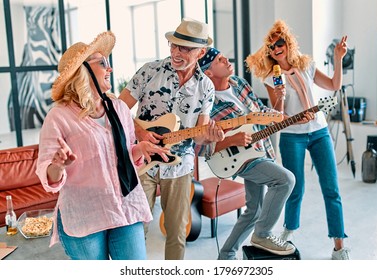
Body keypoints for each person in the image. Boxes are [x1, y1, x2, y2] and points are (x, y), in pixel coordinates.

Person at [35, 31, 170, 260]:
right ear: (82, 71)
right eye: (102, 63)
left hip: (124, 206)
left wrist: (139, 149)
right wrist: (58, 165)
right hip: (85, 213)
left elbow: (122, 154)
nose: (110, 69)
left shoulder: (118, 108)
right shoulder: (58, 117)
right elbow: (47, 172)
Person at [119, 18, 225, 260]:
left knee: (177, 233)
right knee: (135, 229)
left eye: (185, 48)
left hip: (180, 166)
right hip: (141, 160)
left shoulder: (206, 87)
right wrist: (140, 132)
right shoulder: (149, 71)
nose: (177, 52)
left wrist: (210, 137)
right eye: (174, 45)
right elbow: (119, 110)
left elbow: (199, 134)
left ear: (202, 52)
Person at [246, 19, 350, 260]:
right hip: (292, 136)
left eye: (279, 43)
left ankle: (339, 246)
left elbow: (334, 85)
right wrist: (280, 97)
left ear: (288, 43)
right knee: (295, 188)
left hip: (319, 132)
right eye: (271, 47)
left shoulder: (307, 65)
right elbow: (278, 115)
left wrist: (338, 59)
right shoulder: (272, 78)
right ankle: (289, 232)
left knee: (331, 189)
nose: (276, 49)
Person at [197, 47, 297, 259]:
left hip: (260, 150)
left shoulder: (240, 84)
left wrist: (280, 103)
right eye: (220, 60)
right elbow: (201, 146)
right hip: (239, 160)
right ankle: (263, 234)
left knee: (253, 211)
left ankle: (225, 256)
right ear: (208, 72)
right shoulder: (206, 102)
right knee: (285, 180)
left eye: (224, 56)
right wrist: (231, 139)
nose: (227, 60)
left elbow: (263, 112)